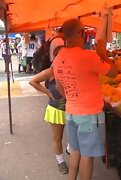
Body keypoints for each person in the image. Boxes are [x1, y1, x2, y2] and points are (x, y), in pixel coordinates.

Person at [52, 18, 117, 180]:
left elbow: (59, 87)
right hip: (89, 115)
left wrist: (73, 98)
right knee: (87, 157)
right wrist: (102, 52)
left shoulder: (58, 57)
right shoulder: (88, 56)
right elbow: (113, 73)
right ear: (81, 34)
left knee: (75, 151)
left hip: (71, 112)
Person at [29, 28, 68, 174]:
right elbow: (33, 81)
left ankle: (70, 149)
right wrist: (47, 92)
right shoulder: (51, 71)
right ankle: (61, 162)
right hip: (56, 108)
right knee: (57, 137)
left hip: (72, 108)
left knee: (74, 136)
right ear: (56, 57)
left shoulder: (71, 69)